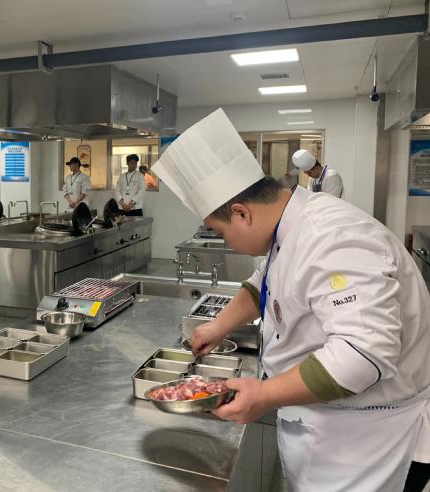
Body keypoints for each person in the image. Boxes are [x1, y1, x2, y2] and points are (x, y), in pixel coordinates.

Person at [153, 108, 430, 492]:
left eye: (219, 231)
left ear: (241, 213)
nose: (224, 242)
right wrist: (218, 326)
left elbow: (362, 354)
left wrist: (265, 395)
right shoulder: (289, 227)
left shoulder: (334, 236)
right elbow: (264, 284)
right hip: (329, 427)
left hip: (370, 442)